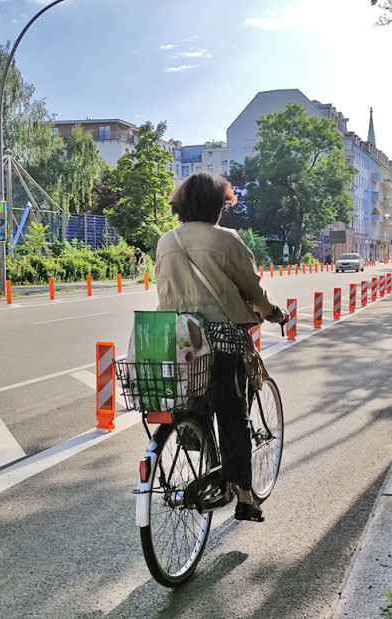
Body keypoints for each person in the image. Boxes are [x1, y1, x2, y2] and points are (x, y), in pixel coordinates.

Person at [155, 172, 288, 523]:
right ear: (219, 206)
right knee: (233, 418)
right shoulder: (226, 240)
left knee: (193, 402)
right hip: (221, 342)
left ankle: (193, 431)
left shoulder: (166, 241)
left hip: (175, 340)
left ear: (180, 206)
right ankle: (245, 498)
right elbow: (253, 290)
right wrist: (274, 313)